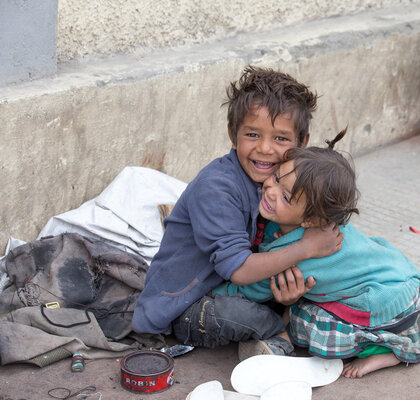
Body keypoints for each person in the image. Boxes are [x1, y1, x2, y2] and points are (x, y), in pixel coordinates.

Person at [132, 66, 344, 352]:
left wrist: (287, 294)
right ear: (233, 135)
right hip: (187, 304)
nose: (266, 148)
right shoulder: (217, 188)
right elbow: (241, 271)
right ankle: (281, 338)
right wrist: (306, 249)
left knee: (315, 293)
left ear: (301, 144)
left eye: (280, 139)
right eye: (253, 135)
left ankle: (279, 323)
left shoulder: (281, 185)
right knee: (239, 317)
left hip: (239, 289)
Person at [212, 128, 420, 378]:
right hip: (402, 274)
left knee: (305, 321)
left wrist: (213, 292)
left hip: (382, 300)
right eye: (275, 178)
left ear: (311, 219)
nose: (270, 191)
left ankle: (384, 351)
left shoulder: (303, 253)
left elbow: (252, 287)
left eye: (284, 196)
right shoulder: (321, 223)